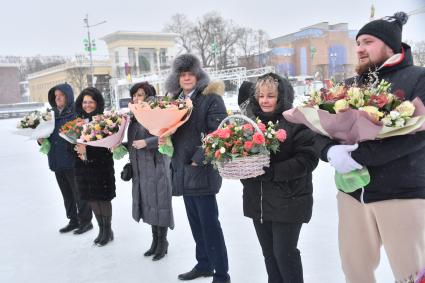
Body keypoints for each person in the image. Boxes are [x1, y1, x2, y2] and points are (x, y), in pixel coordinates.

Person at [314, 12, 425, 282]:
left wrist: (359, 155)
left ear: (391, 45)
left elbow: (416, 134)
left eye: (368, 41)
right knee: (355, 270)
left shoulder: (417, 78)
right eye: (358, 42)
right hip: (352, 194)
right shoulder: (349, 85)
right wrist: (330, 152)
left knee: (411, 273)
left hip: (401, 192)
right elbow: (315, 126)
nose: (360, 49)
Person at [241, 73, 318, 283]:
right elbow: (241, 156)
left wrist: (273, 172)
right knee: (269, 255)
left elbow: (308, 159)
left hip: (289, 201)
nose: (265, 100)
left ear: (281, 96)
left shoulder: (295, 121)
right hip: (259, 201)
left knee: (285, 255)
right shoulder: (249, 124)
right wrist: (242, 171)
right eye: (261, 95)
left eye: (271, 95)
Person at [163, 53, 230, 283]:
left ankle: (221, 274)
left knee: (210, 225)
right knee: (195, 223)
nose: (187, 78)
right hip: (181, 171)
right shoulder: (174, 101)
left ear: (198, 75)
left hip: (201, 170)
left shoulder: (210, 99)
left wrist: (198, 158)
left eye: (191, 74)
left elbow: (218, 132)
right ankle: (204, 264)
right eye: (182, 74)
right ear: (177, 78)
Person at [126, 82, 174, 261]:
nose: (136, 98)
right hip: (141, 167)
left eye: (140, 94)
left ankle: (163, 242)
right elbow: (133, 141)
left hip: (157, 164)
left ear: (148, 95)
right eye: (134, 95)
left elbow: (166, 133)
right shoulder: (134, 115)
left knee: (160, 203)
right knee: (149, 204)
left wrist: (147, 143)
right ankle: (155, 241)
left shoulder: (156, 110)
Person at [39, 83, 92, 234]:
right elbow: (45, 135)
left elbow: (83, 135)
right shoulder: (50, 115)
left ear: (68, 96)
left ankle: (86, 222)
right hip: (56, 160)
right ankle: (73, 220)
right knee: (66, 194)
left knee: (79, 193)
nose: (58, 98)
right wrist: (40, 139)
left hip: (72, 161)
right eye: (56, 96)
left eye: (61, 95)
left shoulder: (76, 113)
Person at [74, 87, 116, 247]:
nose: (87, 105)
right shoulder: (77, 122)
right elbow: (69, 145)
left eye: (91, 102)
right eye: (85, 102)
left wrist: (87, 149)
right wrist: (76, 148)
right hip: (82, 168)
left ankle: (108, 230)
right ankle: (101, 229)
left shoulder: (104, 121)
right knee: (91, 199)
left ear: (97, 103)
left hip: (101, 167)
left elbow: (106, 146)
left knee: (103, 199)